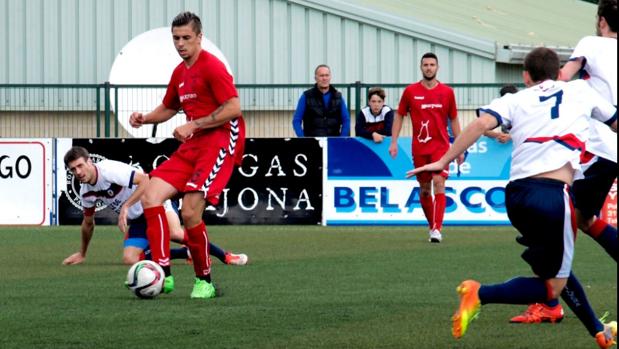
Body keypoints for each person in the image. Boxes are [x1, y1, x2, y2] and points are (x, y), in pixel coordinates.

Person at [409, 47, 617, 348]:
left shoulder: (514, 99)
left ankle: (599, 332)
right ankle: (478, 294)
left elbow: (480, 124)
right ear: (558, 72)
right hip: (552, 196)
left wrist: (443, 161)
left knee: (554, 272)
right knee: (552, 287)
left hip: (517, 197)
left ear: (525, 76)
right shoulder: (581, 91)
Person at [510, 0, 618, 324]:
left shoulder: (591, 43)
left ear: (600, 21)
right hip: (610, 149)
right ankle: (552, 300)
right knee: (579, 221)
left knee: (550, 223)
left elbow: (561, 78)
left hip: (593, 145)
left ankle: (550, 303)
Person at [129, 11, 245, 299]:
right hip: (193, 144)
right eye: (176, 38)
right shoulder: (180, 72)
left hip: (219, 142)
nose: (180, 44)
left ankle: (204, 281)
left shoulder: (212, 66)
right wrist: (144, 118)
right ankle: (163, 273)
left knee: (190, 211)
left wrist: (193, 123)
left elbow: (233, 108)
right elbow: (169, 107)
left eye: (186, 38)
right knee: (150, 196)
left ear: (199, 37)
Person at [61, 146, 248, 267]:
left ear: (89, 162)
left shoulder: (109, 170)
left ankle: (225, 256)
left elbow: (145, 180)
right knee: (130, 260)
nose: (78, 172)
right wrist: (82, 253)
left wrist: (126, 206)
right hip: (137, 220)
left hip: (155, 202)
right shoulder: (86, 191)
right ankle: (184, 253)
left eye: (80, 166)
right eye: (73, 169)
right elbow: (88, 224)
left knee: (175, 233)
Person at [389, 52, 464, 243]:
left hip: (441, 148)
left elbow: (453, 119)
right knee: (424, 189)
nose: (429, 68)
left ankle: (437, 229)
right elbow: (399, 115)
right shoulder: (410, 91)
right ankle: (432, 226)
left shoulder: (447, 92)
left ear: (437, 68)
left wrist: (459, 146)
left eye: (432, 64)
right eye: (425, 65)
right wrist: (394, 141)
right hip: (420, 148)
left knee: (439, 182)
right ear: (421, 67)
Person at [292, 64, 351, 137]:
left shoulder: (338, 97)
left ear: (330, 77)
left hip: (333, 143)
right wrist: (303, 139)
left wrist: (342, 139)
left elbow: (346, 120)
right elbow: (296, 120)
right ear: (315, 78)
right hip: (312, 143)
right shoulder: (306, 96)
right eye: (321, 75)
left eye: (327, 75)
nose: (324, 78)